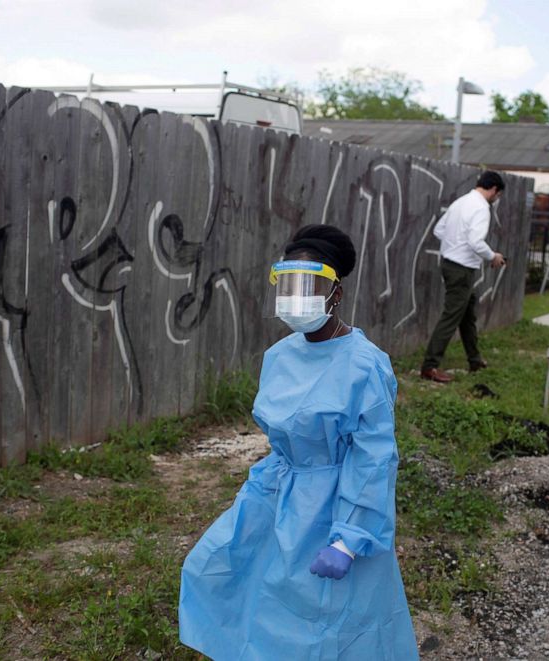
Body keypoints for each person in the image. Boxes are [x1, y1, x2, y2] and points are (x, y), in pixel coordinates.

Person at [178, 224, 418, 660]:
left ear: (336, 293)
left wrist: (349, 538)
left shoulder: (365, 366)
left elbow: (374, 460)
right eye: (288, 285)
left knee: (329, 619)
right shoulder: (279, 355)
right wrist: (255, 501)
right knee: (235, 578)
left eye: (309, 285)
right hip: (280, 496)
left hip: (336, 510)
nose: (296, 297)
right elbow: (281, 445)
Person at [420, 170, 507, 383]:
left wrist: (454, 244)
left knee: (467, 315)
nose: (497, 199)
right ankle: (429, 366)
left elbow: (439, 230)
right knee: (451, 316)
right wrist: (493, 256)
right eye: (499, 195)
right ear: (494, 189)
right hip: (461, 269)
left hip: (449, 263)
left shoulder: (460, 202)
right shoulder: (481, 208)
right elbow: (475, 242)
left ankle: (475, 360)